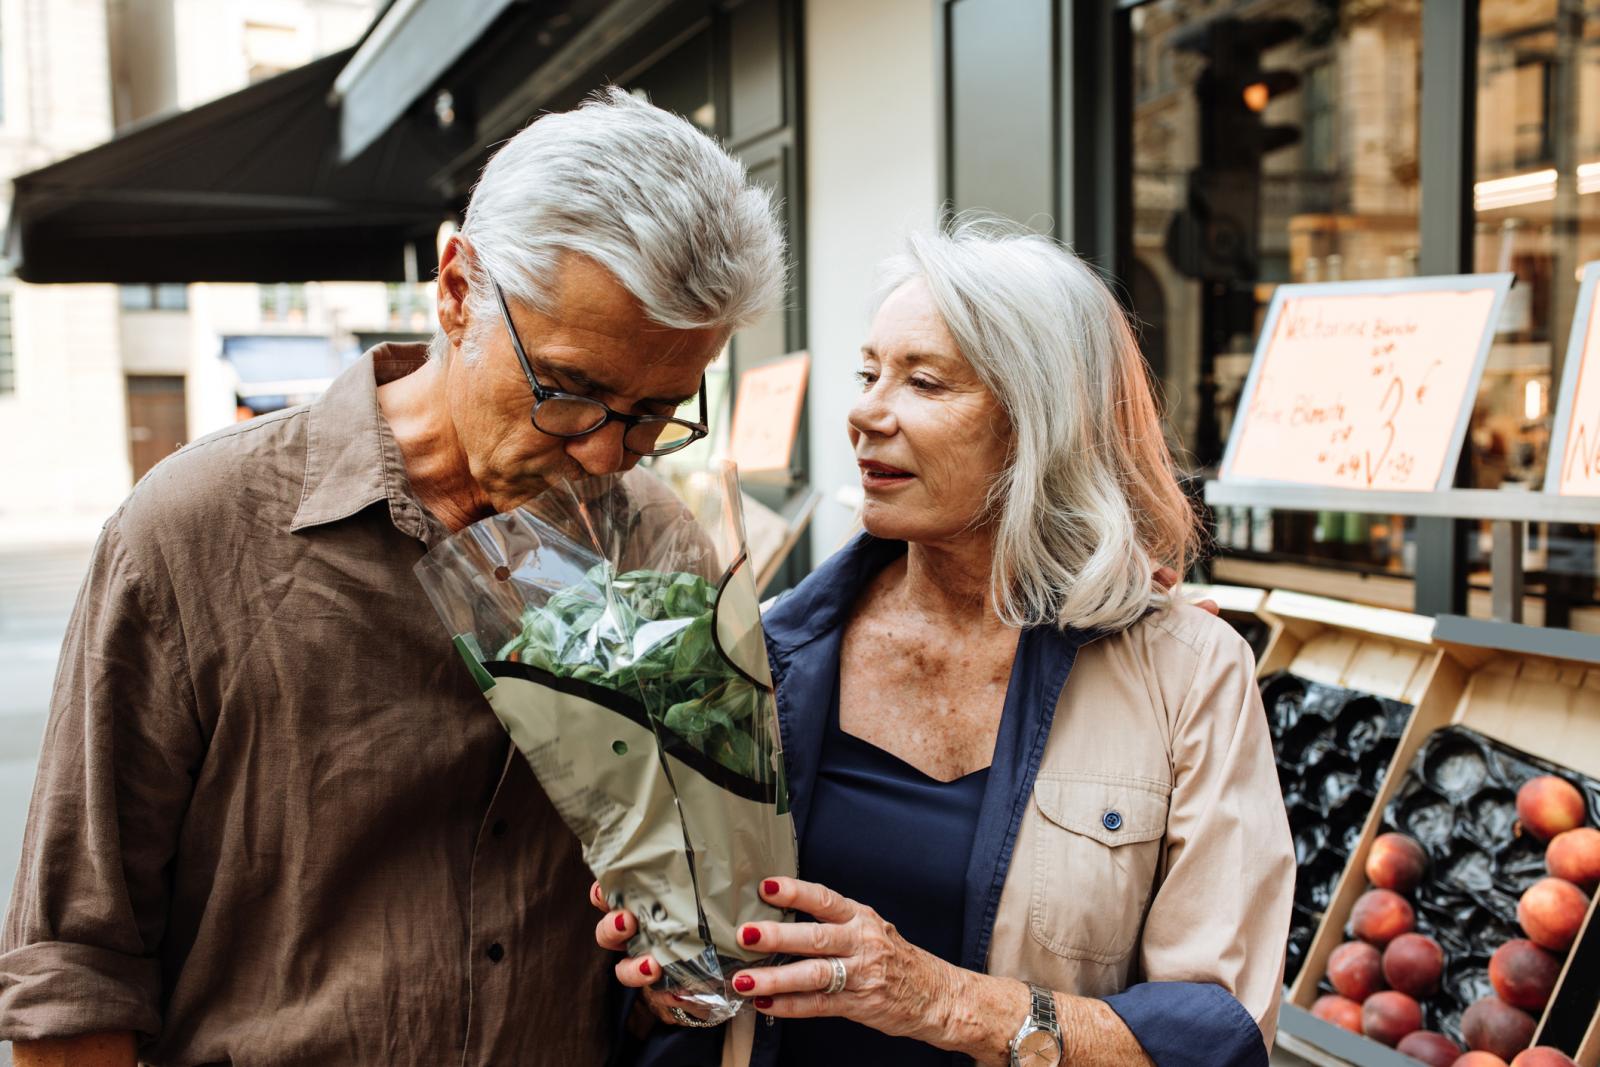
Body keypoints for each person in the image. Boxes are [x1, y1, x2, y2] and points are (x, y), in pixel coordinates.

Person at [0, 89, 784, 1066]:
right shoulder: (194, 531)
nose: (605, 454)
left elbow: (692, 901)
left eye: (657, 409)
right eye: (572, 392)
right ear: (456, 287)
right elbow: (75, 963)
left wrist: (686, 959)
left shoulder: (656, 546)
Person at [595, 220, 1295, 1067]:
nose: (863, 412)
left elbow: (1216, 1030)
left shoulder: (1187, 674)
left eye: (924, 382)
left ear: (1042, 421)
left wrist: (943, 1000)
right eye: (867, 373)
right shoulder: (760, 654)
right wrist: (674, 969)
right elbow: (687, 978)